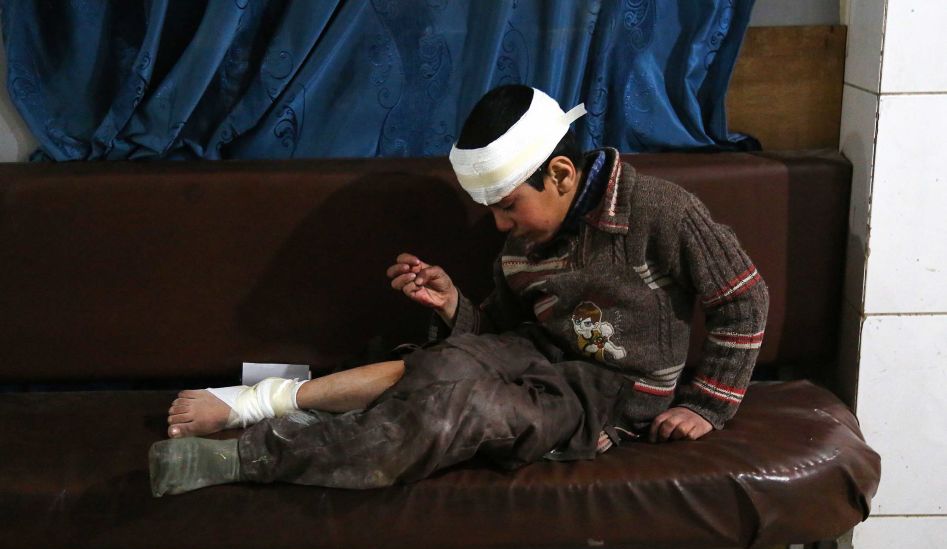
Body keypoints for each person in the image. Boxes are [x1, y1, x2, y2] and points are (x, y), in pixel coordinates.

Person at [149, 85, 768, 497]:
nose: (499, 226)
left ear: (559, 173)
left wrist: (708, 405)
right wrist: (451, 305)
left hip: (604, 397)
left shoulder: (660, 211)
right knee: (435, 366)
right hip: (531, 352)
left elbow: (744, 297)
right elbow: (498, 329)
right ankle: (261, 401)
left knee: (454, 409)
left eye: (506, 207)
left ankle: (247, 457)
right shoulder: (524, 244)